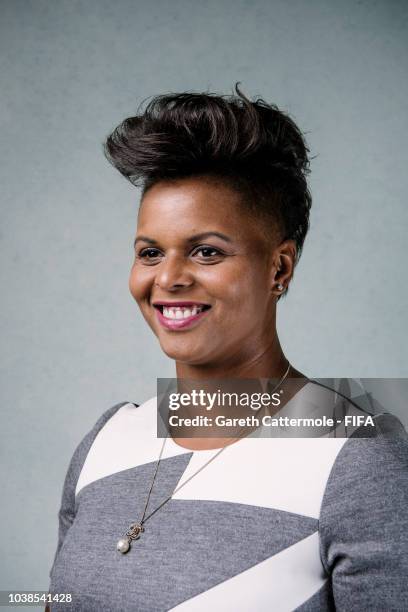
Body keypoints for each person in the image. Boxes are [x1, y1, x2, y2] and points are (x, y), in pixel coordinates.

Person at [47, 86, 408, 611]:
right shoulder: (105, 441)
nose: (168, 277)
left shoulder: (358, 460)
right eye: (150, 252)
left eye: (206, 251)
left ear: (278, 268)